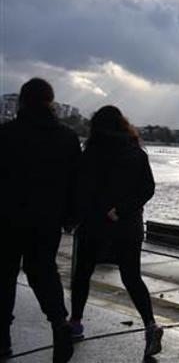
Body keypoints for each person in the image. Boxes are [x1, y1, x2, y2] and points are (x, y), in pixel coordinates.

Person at [68, 105, 163, 358]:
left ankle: (75, 323)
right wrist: (121, 209)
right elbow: (148, 189)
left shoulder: (91, 153)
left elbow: (83, 190)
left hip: (94, 225)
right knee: (132, 277)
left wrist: (76, 217)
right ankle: (150, 324)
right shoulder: (137, 153)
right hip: (129, 226)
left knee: (82, 274)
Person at [0, 78, 80, 362]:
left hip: (7, 219)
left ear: (22, 101)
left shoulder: (6, 134)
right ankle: (60, 325)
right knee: (44, 273)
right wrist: (70, 217)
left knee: (5, 276)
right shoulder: (67, 138)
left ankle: (3, 339)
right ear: (51, 102)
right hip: (47, 221)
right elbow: (75, 183)